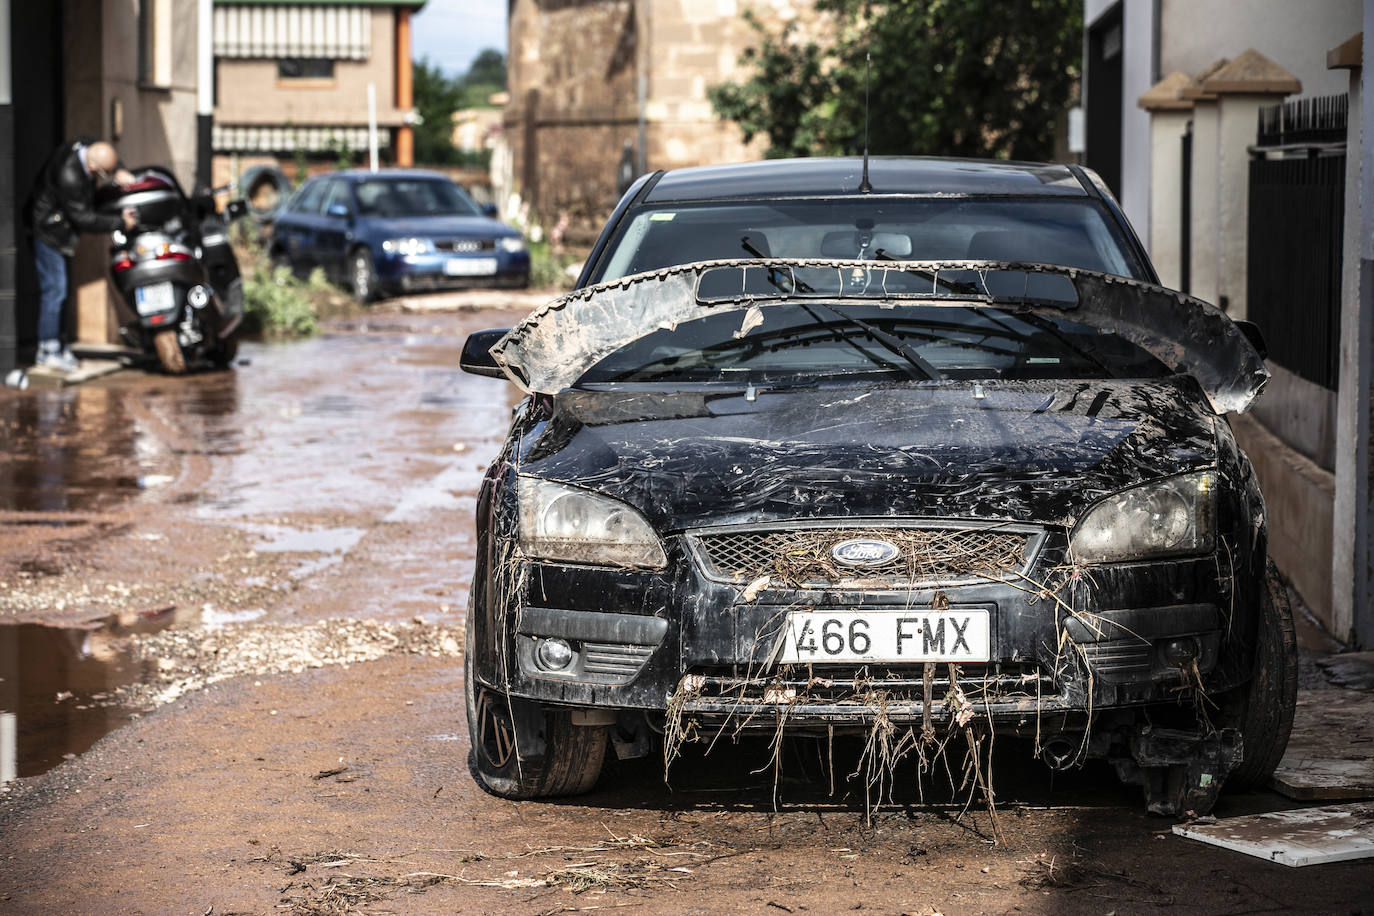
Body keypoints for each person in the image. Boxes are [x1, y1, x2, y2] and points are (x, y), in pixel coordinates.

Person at [23, 138, 136, 372]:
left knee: (61, 290)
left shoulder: (84, 146)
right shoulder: (70, 176)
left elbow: (99, 146)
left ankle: (59, 344)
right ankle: (48, 350)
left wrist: (121, 170)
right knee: (56, 290)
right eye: (107, 173)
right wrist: (120, 222)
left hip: (59, 228)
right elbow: (83, 219)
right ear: (94, 169)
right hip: (48, 231)